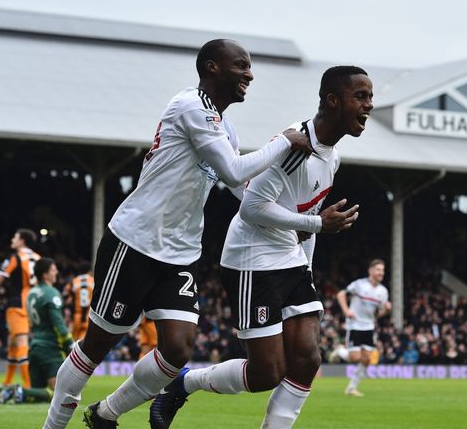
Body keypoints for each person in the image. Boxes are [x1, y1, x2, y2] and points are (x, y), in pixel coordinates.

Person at [43, 38, 310, 429]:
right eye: (241, 65)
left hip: (179, 253)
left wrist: (295, 220)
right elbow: (236, 171)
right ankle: (52, 426)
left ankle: (106, 413)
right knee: (97, 344)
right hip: (135, 242)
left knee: (178, 349)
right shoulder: (191, 106)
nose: (249, 74)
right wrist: (283, 141)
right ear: (212, 68)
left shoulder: (224, 129)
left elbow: (244, 193)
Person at [149, 65, 372, 429]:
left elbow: (306, 219)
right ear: (333, 100)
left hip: (289, 259)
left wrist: (308, 272)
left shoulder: (331, 156)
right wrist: (317, 223)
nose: (369, 105)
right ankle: (184, 383)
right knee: (267, 372)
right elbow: (252, 207)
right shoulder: (295, 146)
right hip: (252, 258)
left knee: (309, 358)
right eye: (360, 96)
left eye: (370, 97)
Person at [0, 258, 74, 404]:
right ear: (45, 275)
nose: (56, 272)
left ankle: (20, 392)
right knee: (63, 396)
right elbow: (58, 324)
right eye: (53, 270)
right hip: (50, 349)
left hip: (34, 347)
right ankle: (18, 390)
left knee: (36, 396)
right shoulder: (51, 293)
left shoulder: (31, 293)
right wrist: (70, 344)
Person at [0, 228, 41, 391]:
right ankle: (7, 383)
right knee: (13, 341)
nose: (12, 239)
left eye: (15, 237)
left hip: (17, 305)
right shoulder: (38, 258)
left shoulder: (15, 257)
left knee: (21, 341)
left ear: (22, 241)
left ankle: (28, 386)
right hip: (33, 305)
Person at [331, 259, 391, 396]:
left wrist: (386, 310)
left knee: (367, 359)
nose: (381, 272)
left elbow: (378, 314)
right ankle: (340, 351)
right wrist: (346, 311)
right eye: (378, 269)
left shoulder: (383, 291)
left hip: (369, 326)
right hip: (355, 325)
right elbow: (341, 294)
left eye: (382, 270)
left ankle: (351, 388)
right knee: (354, 357)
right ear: (371, 271)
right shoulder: (359, 284)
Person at [64, 262, 95, 341]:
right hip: (89, 317)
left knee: (74, 343)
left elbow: (66, 298)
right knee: (85, 343)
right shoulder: (93, 281)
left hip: (76, 317)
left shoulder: (73, 282)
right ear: (89, 271)